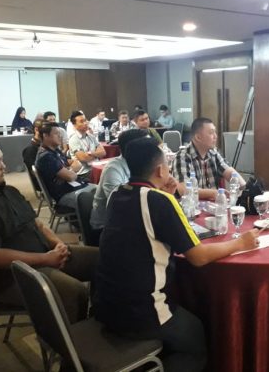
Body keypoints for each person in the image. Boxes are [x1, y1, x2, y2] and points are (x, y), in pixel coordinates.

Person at [93, 138, 259, 372]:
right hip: (140, 312)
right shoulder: (158, 201)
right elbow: (198, 257)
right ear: (160, 170)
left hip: (104, 302)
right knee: (197, 335)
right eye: (167, 165)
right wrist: (240, 243)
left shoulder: (117, 194)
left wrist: (168, 196)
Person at [0, 137, 99, 322]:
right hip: (10, 277)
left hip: (45, 255)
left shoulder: (10, 191)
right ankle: (71, 338)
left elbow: (38, 224)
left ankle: (101, 318)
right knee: (74, 292)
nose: (4, 166)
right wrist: (45, 259)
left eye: (2, 160)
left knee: (104, 260)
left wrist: (58, 245)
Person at [89, 129, 153, 235]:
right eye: (149, 147)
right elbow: (120, 205)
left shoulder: (143, 165)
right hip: (107, 228)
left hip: (131, 222)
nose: (153, 151)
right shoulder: (113, 169)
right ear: (135, 150)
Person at [172, 117, 245, 200]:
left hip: (215, 205)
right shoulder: (182, 157)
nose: (215, 136)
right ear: (198, 137)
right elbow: (183, 190)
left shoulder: (213, 153)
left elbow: (230, 173)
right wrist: (215, 193)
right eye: (211, 133)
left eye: (215, 132)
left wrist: (245, 187)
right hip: (192, 206)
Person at [35, 122, 96, 208]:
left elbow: (76, 163)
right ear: (45, 136)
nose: (60, 136)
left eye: (60, 133)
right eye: (56, 133)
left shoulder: (55, 150)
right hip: (64, 194)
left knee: (102, 190)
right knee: (100, 194)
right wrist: (70, 172)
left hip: (75, 187)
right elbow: (70, 177)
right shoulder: (45, 156)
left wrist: (68, 171)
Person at [67, 110, 106, 181]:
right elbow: (83, 158)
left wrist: (91, 153)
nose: (85, 123)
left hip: (96, 167)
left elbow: (103, 152)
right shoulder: (73, 139)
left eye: (85, 120)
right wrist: (97, 154)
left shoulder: (91, 136)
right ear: (74, 125)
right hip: (84, 173)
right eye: (81, 121)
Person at [22, 119, 44, 192]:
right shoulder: (30, 150)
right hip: (44, 183)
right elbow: (35, 173)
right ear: (36, 130)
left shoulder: (45, 145)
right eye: (46, 131)